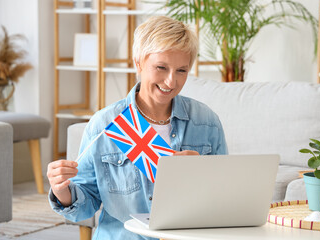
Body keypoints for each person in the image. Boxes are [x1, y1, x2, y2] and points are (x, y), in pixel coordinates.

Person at [47, 16, 228, 240]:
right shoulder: (105, 124)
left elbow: (223, 201)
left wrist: (202, 175)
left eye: (181, 70)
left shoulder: (206, 122)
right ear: (138, 62)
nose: (171, 82)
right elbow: (85, 205)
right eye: (161, 67)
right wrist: (61, 190)